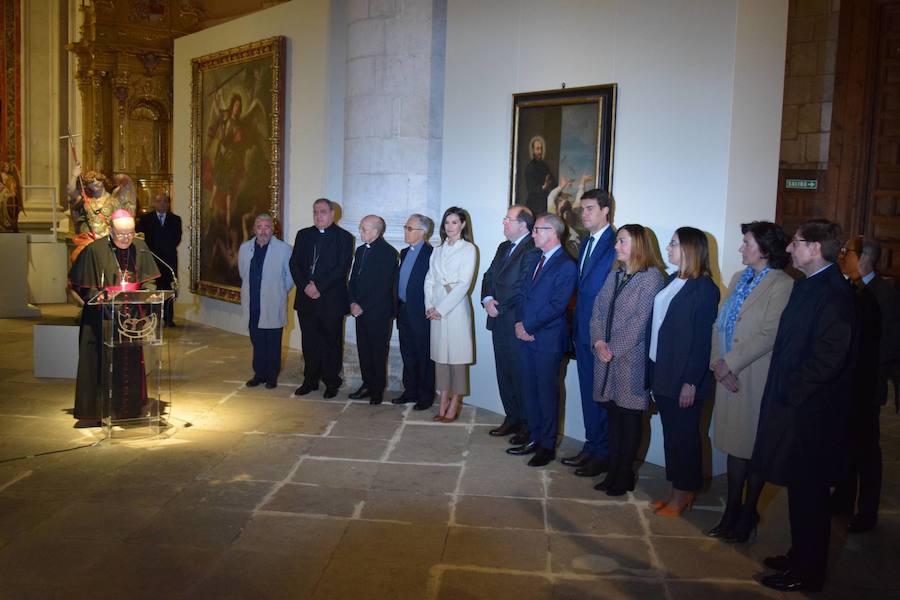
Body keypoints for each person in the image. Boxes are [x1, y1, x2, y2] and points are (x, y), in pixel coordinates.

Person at [752, 219, 856, 593]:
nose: (790, 248)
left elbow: (829, 357)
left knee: (811, 498)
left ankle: (808, 573)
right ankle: (799, 556)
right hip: (797, 407)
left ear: (815, 248)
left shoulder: (834, 293)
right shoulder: (809, 285)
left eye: (796, 243)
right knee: (799, 493)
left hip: (812, 414)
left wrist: (791, 391)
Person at [707, 222, 793, 542]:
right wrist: (718, 364)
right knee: (734, 447)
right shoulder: (737, 278)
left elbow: (769, 334)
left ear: (765, 249)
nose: (741, 248)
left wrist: (730, 364)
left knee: (753, 447)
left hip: (754, 377)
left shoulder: (782, 285)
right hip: (726, 376)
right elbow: (719, 323)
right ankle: (731, 510)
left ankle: (747, 514)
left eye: (746, 242)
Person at [648, 227, 720, 517]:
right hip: (662, 370)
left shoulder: (704, 288)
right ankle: (676, 489)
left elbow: (703, 342)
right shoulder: (671, 279)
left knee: (686, 436)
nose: (668, 248)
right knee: (671, 435)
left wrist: (691, 382)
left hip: (683, 377)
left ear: (691, 249)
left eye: (674, 244)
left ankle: (685, 493)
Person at [590, 224, 665, 495]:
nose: (616, 246)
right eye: (618, 241)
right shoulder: (615, 274)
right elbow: (597, 310)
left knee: (630, 420)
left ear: (638, 245)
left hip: (631, 362)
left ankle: (624, 475)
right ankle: (612, 470)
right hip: (606, 357)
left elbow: (640, 321)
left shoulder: (652, 278)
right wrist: (599, 342)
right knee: (613, 418)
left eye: (622, 241)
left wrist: (612, 349)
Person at [68, 210, 160, 427]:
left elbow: (149, 281)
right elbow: (81, 286)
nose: (127, 238)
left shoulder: (141, 247)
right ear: (110, 230)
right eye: (121, 234)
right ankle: (98, 412)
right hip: (102, 319)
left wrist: (150, 292)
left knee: (129, 364)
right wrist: (102, 296)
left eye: (130, 233)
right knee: (99, 364)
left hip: (130, 319)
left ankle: (128, 409)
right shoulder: (94, 250)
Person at [507, 213, 577, 466]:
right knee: (530, 391)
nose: (533, 234)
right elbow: (522, 294)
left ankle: (547, 446)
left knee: (547, 394)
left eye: (537, 230)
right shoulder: (537, 258)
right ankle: (534, 438)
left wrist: (528, 325)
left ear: (552, 232)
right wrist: (518, 323)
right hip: (526, 336)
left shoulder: (567, 265)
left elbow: (557, 305)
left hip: (547, 340)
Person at [832, 236, 887, 533]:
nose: (842, 256)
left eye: (847, 251)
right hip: (849, 387)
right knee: (846, 447)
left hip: (867, 387)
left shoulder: (883, 293)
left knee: (866, 451)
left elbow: (887, 344)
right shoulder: (851, 288)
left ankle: (867, 510)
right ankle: (842, 499)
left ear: (863, 257)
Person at [562, 189, 617, 478]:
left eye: (590, 209)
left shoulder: (614, 243)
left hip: (600, 334)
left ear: (606, 211)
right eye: (582, 209)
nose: (584, 214)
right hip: (582, 330)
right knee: (587, 391)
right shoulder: (585, 243)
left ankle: (603, 453)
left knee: (601, 394)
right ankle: (591, 445)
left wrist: (601, 335)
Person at [480, 205, 536, 439]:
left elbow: (523, 285)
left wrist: (499, 306)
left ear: (523, 224)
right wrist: (487, 299)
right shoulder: (504, 247)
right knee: (503, 373)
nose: (504, 222)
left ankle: (526, 424)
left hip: (515, 321)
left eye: (508, 219)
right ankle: (511, 418)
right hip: (497, 320)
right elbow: (489, 276)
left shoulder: (532, 248)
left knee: (519, 374)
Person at [289, 199, 354, 398]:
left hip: (331, 299)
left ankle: (332, 382)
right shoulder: (303, 235)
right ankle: (310, 380)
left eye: (323, 212)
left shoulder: (344, 237)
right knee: (309, 342)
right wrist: (305, 286)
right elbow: (294, 264)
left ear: (333, 214)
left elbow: (342, 268)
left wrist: (318, 286)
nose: (319, 216)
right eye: (315, 211)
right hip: (306, 299)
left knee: (331, 342)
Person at [425, 207, 477, 422]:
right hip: (435, 306)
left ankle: (455, 401)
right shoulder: (437, 249)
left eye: (455, 222)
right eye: (447, 222)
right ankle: (443, 398)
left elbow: (464, 284)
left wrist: (442, 308)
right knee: (440, 357)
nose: (450, 227)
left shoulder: (469, 249)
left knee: (457, 357)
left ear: (463, 225)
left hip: (455, 308)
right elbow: (429, 279)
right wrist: (429, 306)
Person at [238, 213, 294, 390]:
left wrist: (277, 291)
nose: (263, 231)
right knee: (257, 340)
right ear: (254, 229)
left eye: (267, 227)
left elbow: (290, 277)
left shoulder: (284, 249)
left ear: (273, 229)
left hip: (273, 302)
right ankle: (259, 374)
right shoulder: (245, 248)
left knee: (273, 341)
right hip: (253, 303)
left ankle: (271, 376)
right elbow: (243, 273)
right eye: (260, 227)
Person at [348, 215, 399, 405]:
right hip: (359, 310)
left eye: (364, 228)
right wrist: (352, 302)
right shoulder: (360, 251)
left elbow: (384, 286)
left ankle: (377, 389)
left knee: (378, 351)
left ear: (376, 231)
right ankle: (367, 384)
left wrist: (362, 306)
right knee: (363, 350)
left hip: (378, 311)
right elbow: (353, 279)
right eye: (360, 228)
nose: (360, 231)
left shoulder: (388, 253)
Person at [392, 214, 436, 410]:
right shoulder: (404, 251)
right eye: (405, 227)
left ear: (423, 232)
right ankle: (410, 391)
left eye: (409, 228)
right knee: (407, 353)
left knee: (424, 355)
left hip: (421, 313)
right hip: (403, 310)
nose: (405, 231)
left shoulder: (431, 254)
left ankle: (425, 396)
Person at [137, 194, 182, 326]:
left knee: (168, 289)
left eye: (164, 202)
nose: (162, 204)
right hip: (151, 259)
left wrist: (164, 247)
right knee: (152, 288)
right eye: (158, 201)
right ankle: (151, 317)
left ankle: (168, 318)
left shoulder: (175, 219)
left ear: (168, 204)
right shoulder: (146, 219)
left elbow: (176, 239)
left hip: (169, 260)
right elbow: (140, 237)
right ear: (154, 203)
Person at [523, 136, 556, 215]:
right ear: (533, 150)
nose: (540, 151)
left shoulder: (544, 166)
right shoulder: (530, 167)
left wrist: (560, 191)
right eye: (537, 149)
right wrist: (543, 187)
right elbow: (531, 187)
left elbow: (552, 181)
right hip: (534, 205)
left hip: (544, 203)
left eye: (541, 149)